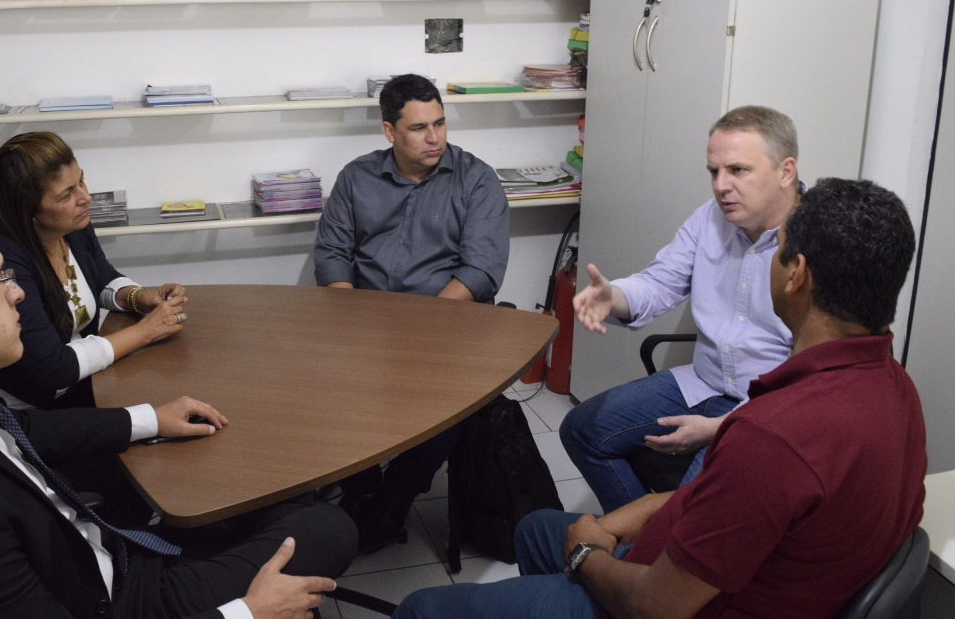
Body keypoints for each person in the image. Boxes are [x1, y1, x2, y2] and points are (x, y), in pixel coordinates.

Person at [394, 177, 926, 619]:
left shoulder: (772, 438)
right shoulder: (898, 392)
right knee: (536, 529)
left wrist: (586, 554)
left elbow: (657, 605)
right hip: (694, 568)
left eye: (779, 250)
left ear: (798, 274)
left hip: (657, 604)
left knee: (420, 609)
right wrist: (618, 525)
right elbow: (728, 506)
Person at [0, 200, 357, 619]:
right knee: (328, 528)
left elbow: (20, 431)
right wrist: (245, 612)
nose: (18, 294)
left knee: (268, 495)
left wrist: (149, 418)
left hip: (97, 554)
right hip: (114, 598)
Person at [560, 105, 801, 512]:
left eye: (738, 170)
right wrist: (614, 297)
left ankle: (656, 557)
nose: (721, 186)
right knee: (582, 430)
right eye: (713, 171)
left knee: (691, 508)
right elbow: (660, 281)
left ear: (786, 171)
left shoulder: (818, 238)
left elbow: (813, 381)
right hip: (704, 381)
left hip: (766, 407)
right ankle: (639, 552)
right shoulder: (709, 219)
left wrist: (719, 429)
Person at [313, 73, 509, 552]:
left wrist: (421, 328)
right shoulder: (357, 177)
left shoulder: (475, 178)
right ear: (389, 132)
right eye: (419, 128)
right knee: (321, 384)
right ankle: (361, 485)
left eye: (440, 123)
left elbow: (481, 270)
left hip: (444, 324)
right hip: (364, 320)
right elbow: (332, 254)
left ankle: (394, 500)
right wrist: (348, 314)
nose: (435, 137)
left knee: (449, 406)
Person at [0, 131, 187, 410]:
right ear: (27, 210)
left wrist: (138, 297)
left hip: (84, 382)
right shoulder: (3, 262)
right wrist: (144, 332)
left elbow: (100, 276)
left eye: (81, 180)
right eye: (67, 194)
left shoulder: (71, 226)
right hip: (33, 407)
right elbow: (52, 368)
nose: (86, 197)